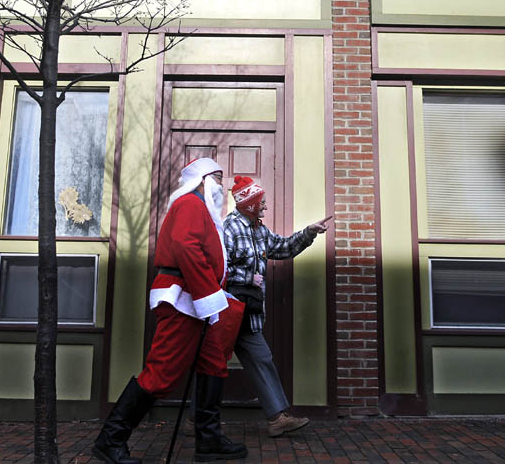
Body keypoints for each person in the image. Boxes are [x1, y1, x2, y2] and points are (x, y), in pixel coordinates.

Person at [93, 158, 248, 464]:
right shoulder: (190, 204)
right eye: (217, 177)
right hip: (183, 299)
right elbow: (186, 246)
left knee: (214, 364)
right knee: (163, 372)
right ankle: (111, 439)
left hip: (196, 299)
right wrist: (208, 295)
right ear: (201, 179)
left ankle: (209, 440)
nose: (222, 184)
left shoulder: (203, 209)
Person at [224, 175, 331, 437]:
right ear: (249, 203)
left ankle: (277, 419)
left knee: (262, 359)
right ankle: (195, 421)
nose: (265, 206)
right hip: (227, 311)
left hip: (248, 314)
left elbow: (283, 248)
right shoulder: (229, 228)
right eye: (262, 202)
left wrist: (308, 233)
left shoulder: (258, 229)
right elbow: (219, 268)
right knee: (210, 364)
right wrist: (248, 277)